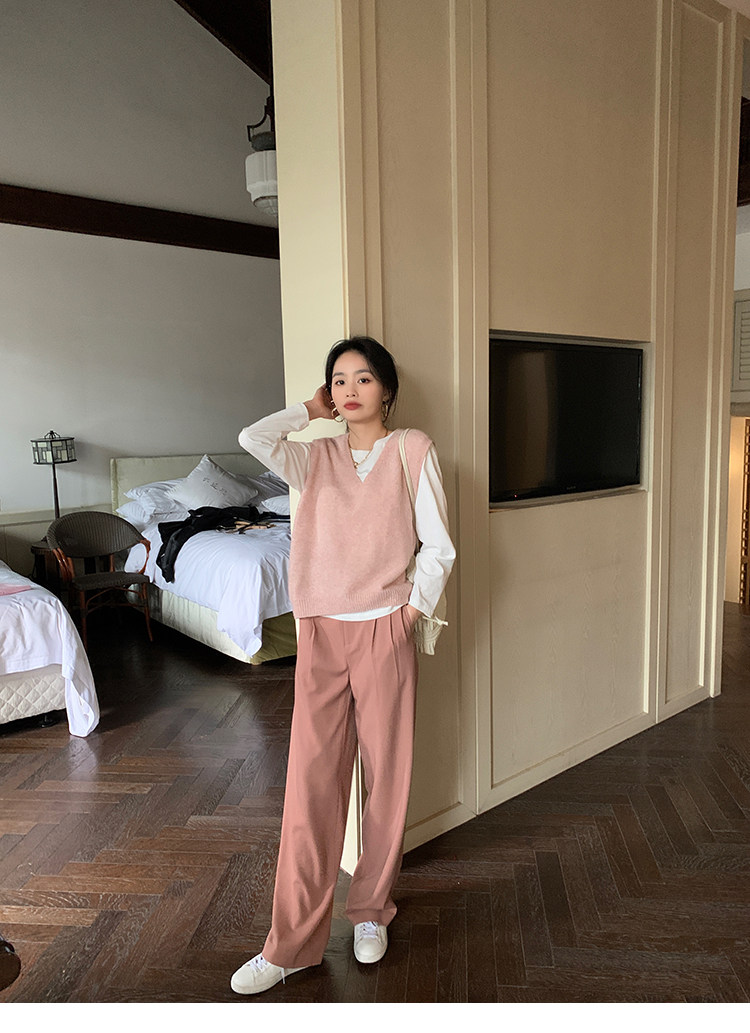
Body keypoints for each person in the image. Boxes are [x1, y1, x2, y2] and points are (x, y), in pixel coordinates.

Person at [231, 336, 455, 995]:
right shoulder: (313, 456)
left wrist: (410, 612)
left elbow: (439, 544)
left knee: (387, 777)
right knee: (311, 785)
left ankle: (371, 909)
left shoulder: (412, 448)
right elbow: (252, 437)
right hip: (322, 633)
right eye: (338, 380)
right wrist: (309, 409)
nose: (350, 389)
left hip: (386, 628)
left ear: (387, 388)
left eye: (363, 378)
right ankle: (292, 944)